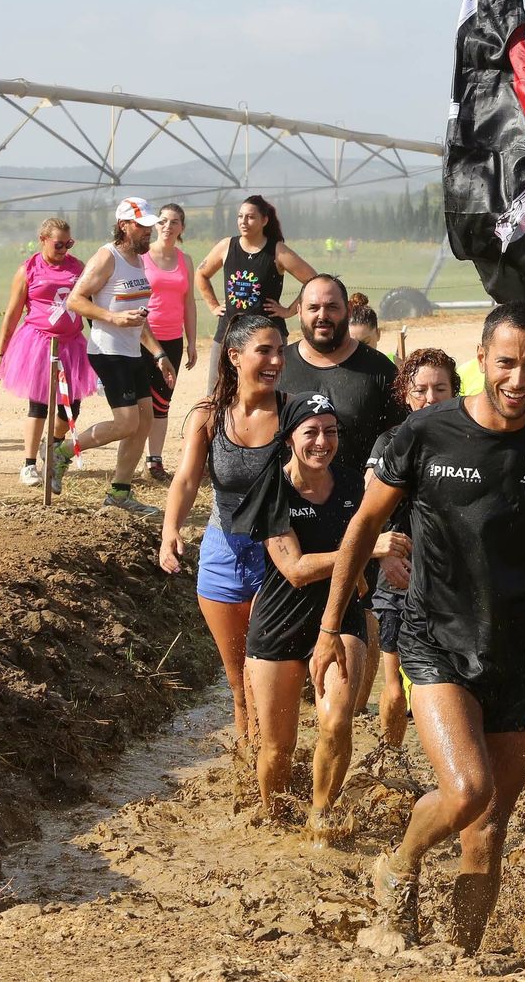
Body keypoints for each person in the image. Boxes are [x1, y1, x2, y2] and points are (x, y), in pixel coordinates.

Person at [315, 302, 525, 951]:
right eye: (507, 362)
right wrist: (330, 624)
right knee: (468, 791)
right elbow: (364, 526)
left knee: (491, 826)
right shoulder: (424, 435)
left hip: (516, 650)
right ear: (482, 361)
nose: (519, 377)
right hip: (437, 645)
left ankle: (463, 953)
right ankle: (399, 864)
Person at [238, 393, 404, 825]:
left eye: (330, 432)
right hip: (279, 620)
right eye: (310, 432)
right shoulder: (272, 486)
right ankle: (274, 824)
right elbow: (293, 568)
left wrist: (377, 558)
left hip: (340, 615)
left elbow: (377, 547)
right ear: (290, 437)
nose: (321, 442)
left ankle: (320, 818)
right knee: (277, 748)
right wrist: (363, 549)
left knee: (336, 721)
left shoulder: (354, 486)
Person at [160, 314, 287, 746]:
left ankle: (275, 760)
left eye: (280, 351)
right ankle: (248, 769)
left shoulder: (292, 412)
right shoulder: (209, 415)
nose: (275, 360)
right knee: (237, 684)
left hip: (278, 555)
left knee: (264, 674)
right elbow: (186, 479)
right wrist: (170, 531)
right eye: (264, 350)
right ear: (234, 356)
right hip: (222, 552)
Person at [363, 348, 457, 747]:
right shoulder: (388, 441)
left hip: (452, 579)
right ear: (405, 394)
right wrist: (384, 554)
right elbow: (369, 505)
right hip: (398, 571)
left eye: (440, 388)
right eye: (421, 390)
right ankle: (390, 759)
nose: (431, 398)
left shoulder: (469, 441)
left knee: (446, 684)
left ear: (455, 392)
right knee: (395, 685)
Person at [61, 197, 173, 514]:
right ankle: (63, 451)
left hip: (132, 352)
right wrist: (113, 318)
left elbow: (139, 316)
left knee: (144, 422)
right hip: (108, 351)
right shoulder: (106, 257)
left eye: (151, 226)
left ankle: (120, 493)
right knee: (126, 423)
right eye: (142, 226)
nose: (149, 232)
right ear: (124, 225)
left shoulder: (138, 260)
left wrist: (159, 354)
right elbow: (75, 301)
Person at [0, 217, 97, 487]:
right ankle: (28, 465)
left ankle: (52, 447)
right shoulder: (28, 269)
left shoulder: (79, 268)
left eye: (69, 244)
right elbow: (13, 313)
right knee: (38, 404)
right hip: (39, 343)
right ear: (43, 240)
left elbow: (90, 307)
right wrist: (0, 353)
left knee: (71, 407)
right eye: (59, 244)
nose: (64, 250)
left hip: (72, 344)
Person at [277, 274, 403, 473]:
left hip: (361, 499)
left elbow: (400, 440)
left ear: (349, 310)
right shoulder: (277, 367)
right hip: (288, 499)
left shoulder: (380, 370)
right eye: (313, 308)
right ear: (299, 312)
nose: (322, 316)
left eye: (332, 307)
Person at [195, 195, 316, 389]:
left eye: (250, 217)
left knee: (268, 394)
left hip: (267, 338)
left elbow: (312, 279)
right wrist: (213, 306)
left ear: (264, 220)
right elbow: (201, 274)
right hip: (228, 334)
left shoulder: (277, 250)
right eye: (240, 216)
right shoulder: (227, 246)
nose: (243, 221)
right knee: (217, 392)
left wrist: (288, 311)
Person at [142, 203, 199, 483]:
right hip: (143, 337)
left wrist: (191, 341)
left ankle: (154, 461)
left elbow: (189, 303)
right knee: (139, 402)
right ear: (155, 224)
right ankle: (130, 461)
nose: (167, 226)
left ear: (182, 228)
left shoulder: (184, 259)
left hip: (172, 339)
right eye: (163, 221)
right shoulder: (142, 256)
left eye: (174, 222)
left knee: (162, 402)